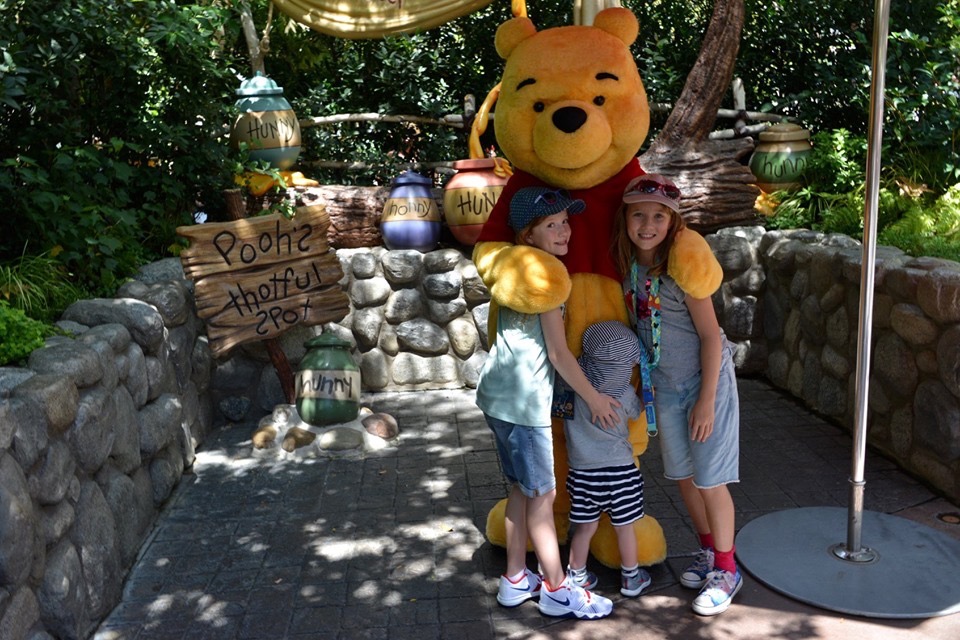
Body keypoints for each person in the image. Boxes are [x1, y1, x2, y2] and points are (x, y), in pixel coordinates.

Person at [476, 186, 619, 620]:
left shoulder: (512, 272)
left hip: (498, 398)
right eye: (551, 225)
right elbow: (559, 355)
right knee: (543, 495)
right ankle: (558, 589)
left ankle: (515, 578)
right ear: (528, 235)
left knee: (522, 489)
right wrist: (593, 397)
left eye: (565, 222)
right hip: (523, 406)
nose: (564, 231)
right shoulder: (548, 280)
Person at [612, 173, 742, 616]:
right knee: (684, 478)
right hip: (664, 387)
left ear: (672, 222)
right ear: (626, 219)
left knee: (710, 479)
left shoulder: (683, 268)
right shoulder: (630, 267)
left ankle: (728, 569)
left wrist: (707, 399)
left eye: (658, 217)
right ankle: (709, 551)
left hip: (704, 383)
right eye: (639, 215)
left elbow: (710, 336)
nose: (647, 224)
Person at [563, 319, 653, 598]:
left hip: (583, 474)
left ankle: (576, 576)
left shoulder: (576, 393)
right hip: (620, 473)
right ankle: (631, 578)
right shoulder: (624, 394)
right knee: (624, 527)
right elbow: (638, 411)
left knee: (585, 527)